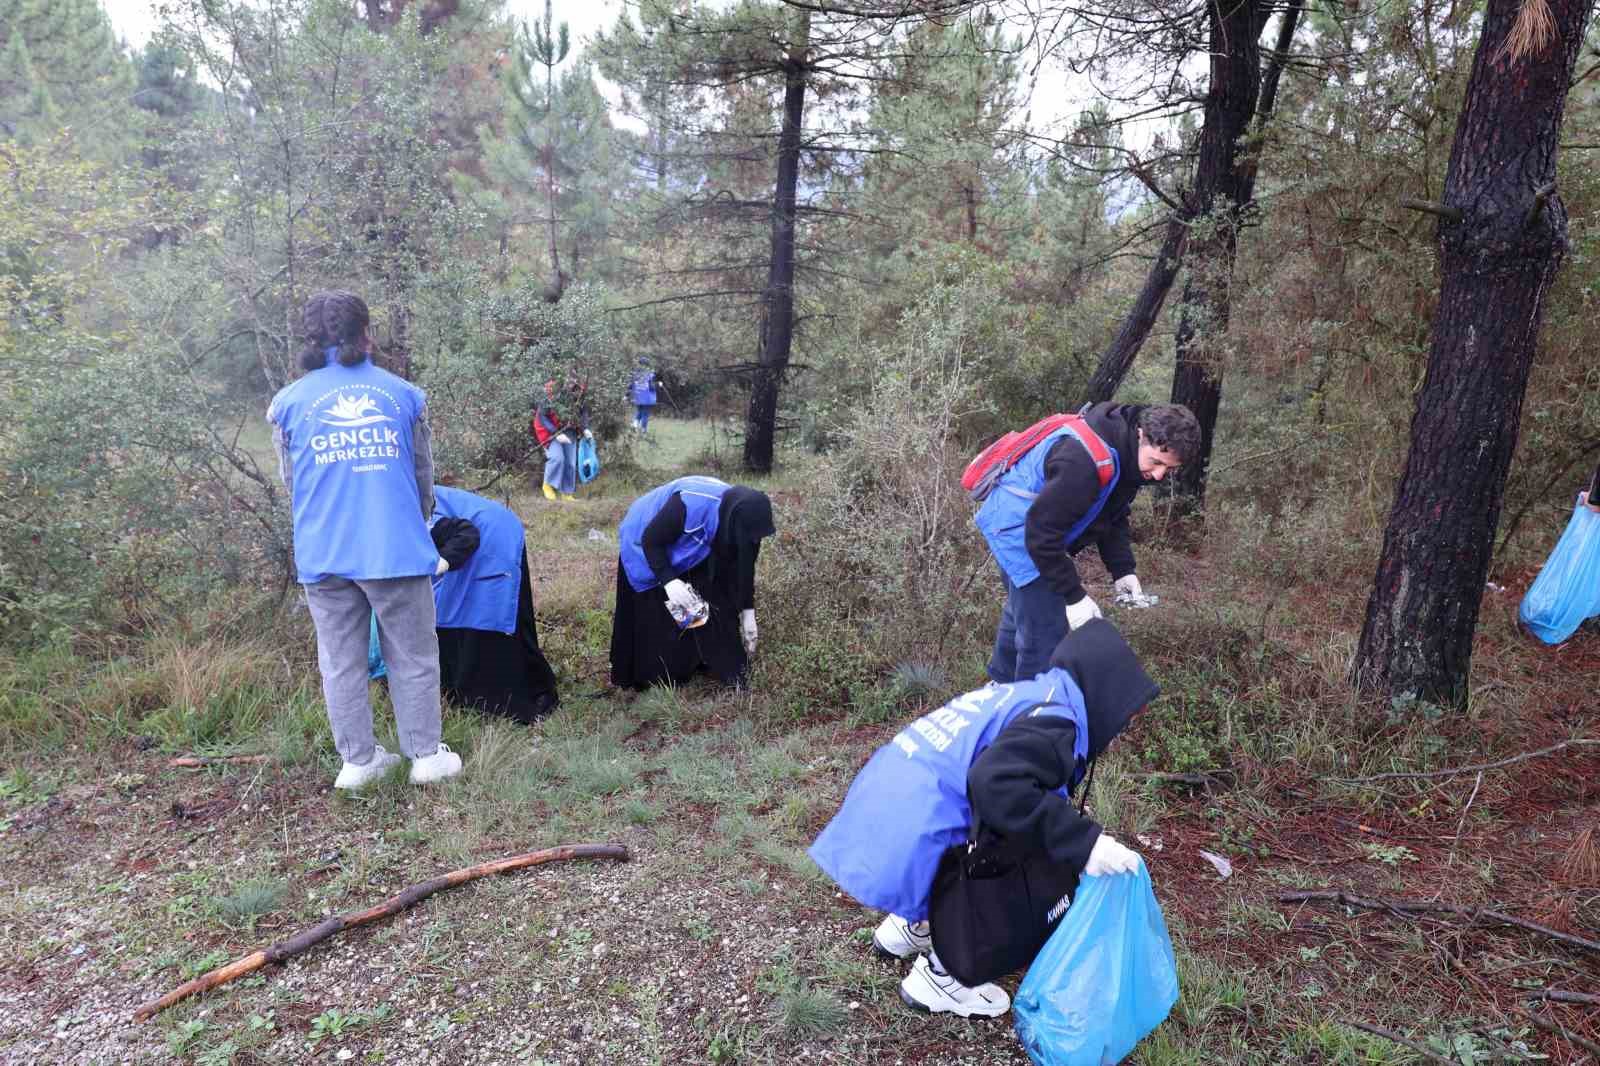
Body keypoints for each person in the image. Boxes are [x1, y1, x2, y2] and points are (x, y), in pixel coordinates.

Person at [808, 620, 1158, 1017]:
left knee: (1019, 815)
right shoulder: (1056, 724)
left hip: (885, 806)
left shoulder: (1037, 694)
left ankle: (915, 925)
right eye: (1125, 712)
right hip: (914, 826)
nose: (1124, 724)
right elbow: (997, 785)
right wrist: (1086, 844)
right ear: (1104, 693)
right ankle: (943, 977)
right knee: (1025, 844)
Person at [267, 290, 462, 790]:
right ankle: (424, 757)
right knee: (414, 657)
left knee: (339, 662)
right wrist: (414, 523)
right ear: (365, 332)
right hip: (394, 549)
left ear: (309, 339)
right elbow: (423, 479)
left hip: (324, 554)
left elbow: (293, 484)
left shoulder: (286, 405)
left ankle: (357, 763)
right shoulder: (404, 395)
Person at [978, 402, 1200, 685]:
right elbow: (1041, 534)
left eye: (1168, 470)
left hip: (1034, 526)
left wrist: (1123, 570)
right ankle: (1026, 713)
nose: (1158, 475)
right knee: (1046, 628)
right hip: (1016, 529)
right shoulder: (1082, 461)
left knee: (1026, 608)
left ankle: (998, 688)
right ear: (1141, 434)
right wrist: (1075, 597)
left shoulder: (1127, 454)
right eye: (1156, 463)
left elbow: (1113, 513)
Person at [370, 485, 559, 723]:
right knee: (450, 612)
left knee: (487, 614)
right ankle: (465, 695)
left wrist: (440, 565)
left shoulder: (403, 516)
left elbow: (466, 534)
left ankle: (512, 701)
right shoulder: (381, 516)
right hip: (465, 535)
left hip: (492, 537)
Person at [609, 476, 774, 690]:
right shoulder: (690, 504)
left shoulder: (745, 522)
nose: (751, 542)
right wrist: (669, 581)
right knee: (659, 622)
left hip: (686, 542)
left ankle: (706, 660)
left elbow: (743, 569)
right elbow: (652, 541)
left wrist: (747, 611)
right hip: (645, 539)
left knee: (711, 602)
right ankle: (653, 673)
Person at [531, 378, 590, 501]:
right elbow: (542, 416)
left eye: (574, 381)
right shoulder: (552, 388)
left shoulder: (580, 390)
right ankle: (547, 485)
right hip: (549, 430)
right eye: (569, 380)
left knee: (570, 463)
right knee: (557, 458)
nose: (572, 383)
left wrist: (584, 428)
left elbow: (583, 411)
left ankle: (566, 493)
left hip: (569, 428)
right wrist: (556, 433)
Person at [628, 357, 659, 433]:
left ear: (639, 364)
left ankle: (634, 425)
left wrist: (627, 395)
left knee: (639, 411)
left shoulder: (635, 374)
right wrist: (658, 384)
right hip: (647, 398)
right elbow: (652, 387)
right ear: (646, 365)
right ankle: (643, 430)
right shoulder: (650, 375)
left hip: (638, 396)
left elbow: (630, 385)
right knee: (645, 414)